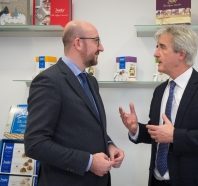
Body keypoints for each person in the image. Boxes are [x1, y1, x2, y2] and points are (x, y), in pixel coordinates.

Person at [119, 25, 198, 186]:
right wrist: (136, 129)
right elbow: (159, 133)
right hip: (158, 181)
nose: (155, 53)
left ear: (181, 54)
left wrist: (175, 136)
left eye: (162, 47)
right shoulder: (160, 90)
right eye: (156, 47)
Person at [25, 20, 124, 186]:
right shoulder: (49, 81)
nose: (101, 48)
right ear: (78, 43)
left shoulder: (90, 81)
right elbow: (35, 144)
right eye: (96, 41)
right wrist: (88, 162)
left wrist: (109, 145)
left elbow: (85, 125)